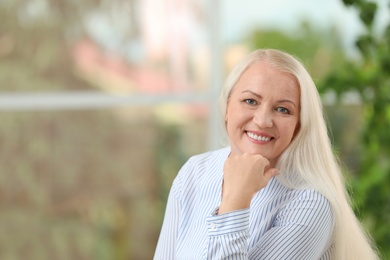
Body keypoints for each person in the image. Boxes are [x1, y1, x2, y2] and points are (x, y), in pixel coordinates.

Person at [154, 49, 379, 259]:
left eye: (283, 109)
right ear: (227, 105)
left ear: (299, 125)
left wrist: (236, 200)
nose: (262, 120)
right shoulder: (195, 171)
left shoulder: (311, 203)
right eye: (250, 101)